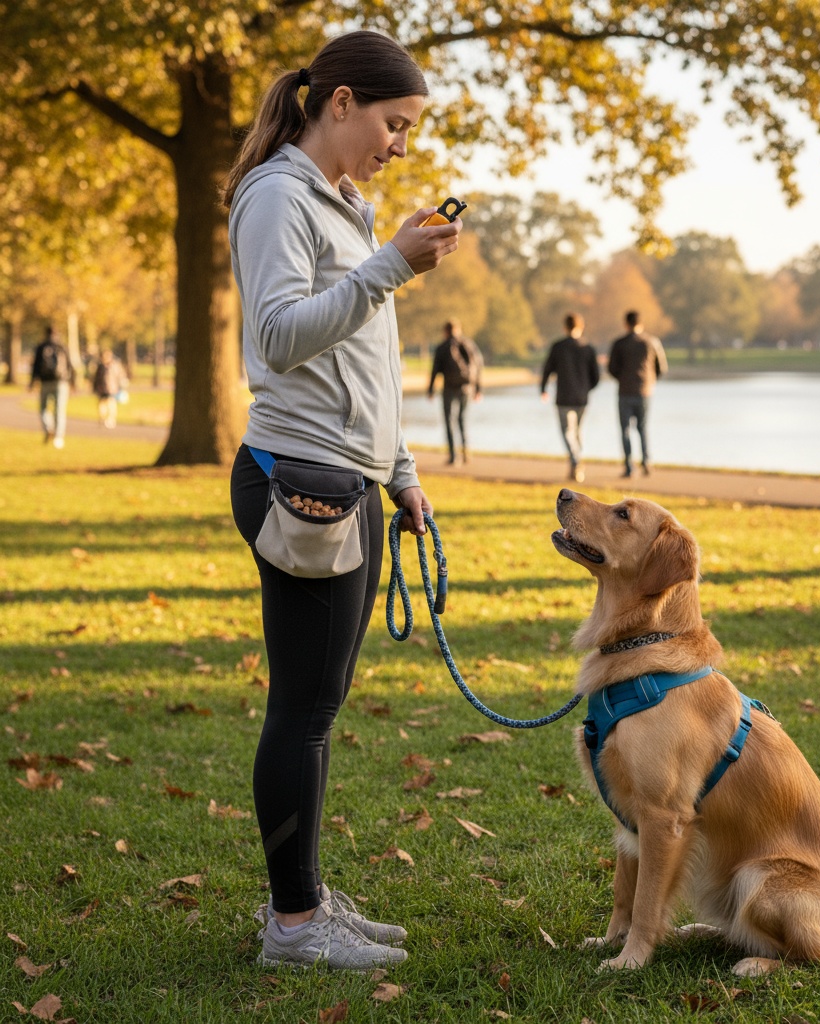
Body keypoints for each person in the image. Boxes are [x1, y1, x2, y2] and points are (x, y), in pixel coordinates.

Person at [222, 29, 461, 971]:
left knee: (318, 708)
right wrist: (390, 264)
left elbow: (368, 361)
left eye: (409, 130)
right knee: (303, 710)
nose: (399, 145)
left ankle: (305, 898)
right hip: (301, 479)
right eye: (393, 124)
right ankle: (293, 926)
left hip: (348, 477)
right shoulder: (278, 196)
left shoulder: (344, 205)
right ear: (341, 102)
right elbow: (279, 338)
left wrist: (400, 471)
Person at [540, 313, 600, 482]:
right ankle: (576, 462)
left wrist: (543, 388)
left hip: (564, 396)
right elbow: (596, 376)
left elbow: (547, 369)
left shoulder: (558, 347)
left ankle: (575, 461)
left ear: (565, 327)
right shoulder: (588, 347)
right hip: (582, 397)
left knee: (567, 432)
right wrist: (586, 389)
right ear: (582, 326)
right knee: (577, 432)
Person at [607, 310, 667, 478]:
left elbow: (612, 368)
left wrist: (622, 378)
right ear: (641, 323)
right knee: (643, 428)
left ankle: (629, 466)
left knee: (625, 430)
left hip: (625, 392)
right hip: (645, 392)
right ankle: (646, 462)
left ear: (626, 324)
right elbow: (662, 367)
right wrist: (650, 381)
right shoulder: (652, 342)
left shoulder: (619, 344)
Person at [427, 319, 483, 464]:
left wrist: (431, 390)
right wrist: (478, 388)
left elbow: (435, 370)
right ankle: (465, 453)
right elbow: (478, 364)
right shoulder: (468, 344)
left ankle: (453, 456)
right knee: (462, 419)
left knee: (449, 421)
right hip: (466, 388)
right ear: (458, 329)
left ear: (446, 331)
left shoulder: (442, 347)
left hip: (449, 389)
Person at [28, 325, 75, 448]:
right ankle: (58, 437)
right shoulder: (62, 346)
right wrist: (73, 382)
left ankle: (48, 428)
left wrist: (32, 382)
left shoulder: (41, 347)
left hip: (45, 381)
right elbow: (70, 365)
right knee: (59, 409)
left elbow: (35, 366)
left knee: (43, 408)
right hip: (61, 381)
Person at [91, 349, 129, 428]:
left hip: (112, 389)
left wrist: (122, 384)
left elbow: (120, 375)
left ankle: (110, 419)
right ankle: (102, 418)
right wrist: (95, 387)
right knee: (102, 404)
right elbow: (96, 378)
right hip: (102, 389)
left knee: (111, 403)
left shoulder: (114, 366)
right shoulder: (100, 366)